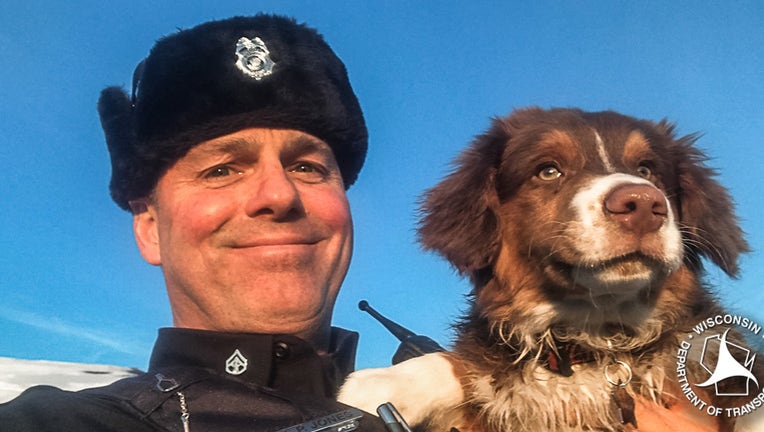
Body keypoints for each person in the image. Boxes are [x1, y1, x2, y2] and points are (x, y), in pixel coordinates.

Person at [0, 14, 388, 432]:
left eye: (307, 166)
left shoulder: (444, 409)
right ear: (149, 228)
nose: (279, 195)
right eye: (222, 170)